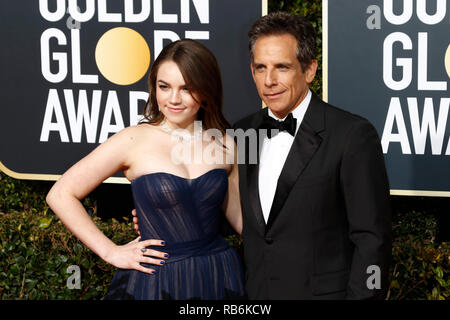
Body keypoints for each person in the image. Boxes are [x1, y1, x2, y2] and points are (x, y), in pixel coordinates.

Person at [134, 12, 392, 300]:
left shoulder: (351, 135)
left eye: (282, 67)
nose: (269, 80)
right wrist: (172, 209)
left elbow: (372, 240)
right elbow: (235, 215)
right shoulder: (240, 132)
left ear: (309, 70)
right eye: (260, 68)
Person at [46, 39, 246, 300]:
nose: (173, 98)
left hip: (218, 273)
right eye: (164, 87)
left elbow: (242, 221)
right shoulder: (132, 140)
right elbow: (61, 194)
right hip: (156, 279)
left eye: (187, 88)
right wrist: (111, 251)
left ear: (206, 89)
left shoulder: (224, 143)